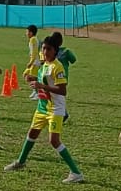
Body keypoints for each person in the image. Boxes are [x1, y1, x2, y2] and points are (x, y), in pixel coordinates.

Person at [5, 36, 85, 181]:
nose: (45, 51)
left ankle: (76, 173)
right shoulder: (44, 65)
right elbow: (45, 83)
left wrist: (41, 86)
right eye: (44, 48)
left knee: (54, 141)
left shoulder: (57, 67)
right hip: (42, 107)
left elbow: (62, 90)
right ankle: (21, 162)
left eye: (49, 49)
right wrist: (33, 79)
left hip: (55, 109)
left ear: (55, 51)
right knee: (32, 133)